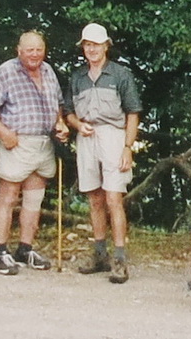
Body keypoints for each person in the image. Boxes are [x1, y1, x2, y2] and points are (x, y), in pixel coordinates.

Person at [0, 31, 68, 276]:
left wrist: (60, 123)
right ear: (19, 50)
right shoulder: (6, 71)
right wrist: (3, 133)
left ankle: (25, 249)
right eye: (30, 50)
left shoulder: (48, 71)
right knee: (8, 197)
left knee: (34, 199)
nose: (35, 54)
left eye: (39, 50)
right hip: (15, 143)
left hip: (43, 143)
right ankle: (0, 252)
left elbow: (58, 105)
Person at [64, 23, 141, 284]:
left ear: (106, 46)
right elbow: (68, 111)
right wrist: (77, 124)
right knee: (94, 198)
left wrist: (128, 147)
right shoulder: (77, 76)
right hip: (86, 137)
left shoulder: (120, 74)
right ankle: (99, 254)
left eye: (96, 44)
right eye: (87, 45)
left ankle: (119, 259)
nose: (91, 49)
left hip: (114, 136)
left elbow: (133, 113)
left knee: (113, 198)